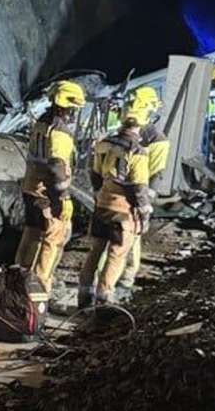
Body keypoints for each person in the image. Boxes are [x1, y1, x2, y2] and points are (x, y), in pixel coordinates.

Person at [15, 80, 84, 292]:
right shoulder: (60, 131)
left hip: (31, 188)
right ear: (66, 107)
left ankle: (16, 282)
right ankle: (39, 290)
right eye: (73, 109)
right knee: (52, 239)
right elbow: (56, 168)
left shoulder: (42, 123)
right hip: (48, 194)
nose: (74, 114)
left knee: (31, 234)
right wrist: (62, 199)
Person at [78, 115, 152, 309]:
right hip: (123, 212)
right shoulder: (138, 151)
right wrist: (144, 214)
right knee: (116, 254)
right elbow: (138, 188)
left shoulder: (104, 144)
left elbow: (95, 174)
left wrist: (98, 194)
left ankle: (84, 297)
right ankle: (103, 300)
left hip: (102, 205)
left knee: (96, 250)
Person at [113, 87, 169, 301]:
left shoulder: (156, 140)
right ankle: (111, 278)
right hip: (120, 192)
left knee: (131, 238)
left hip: (134, 193)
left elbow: (155, 174)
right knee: (118, 238)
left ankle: (125, 279)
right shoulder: (136, 134)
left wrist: (145, 202)